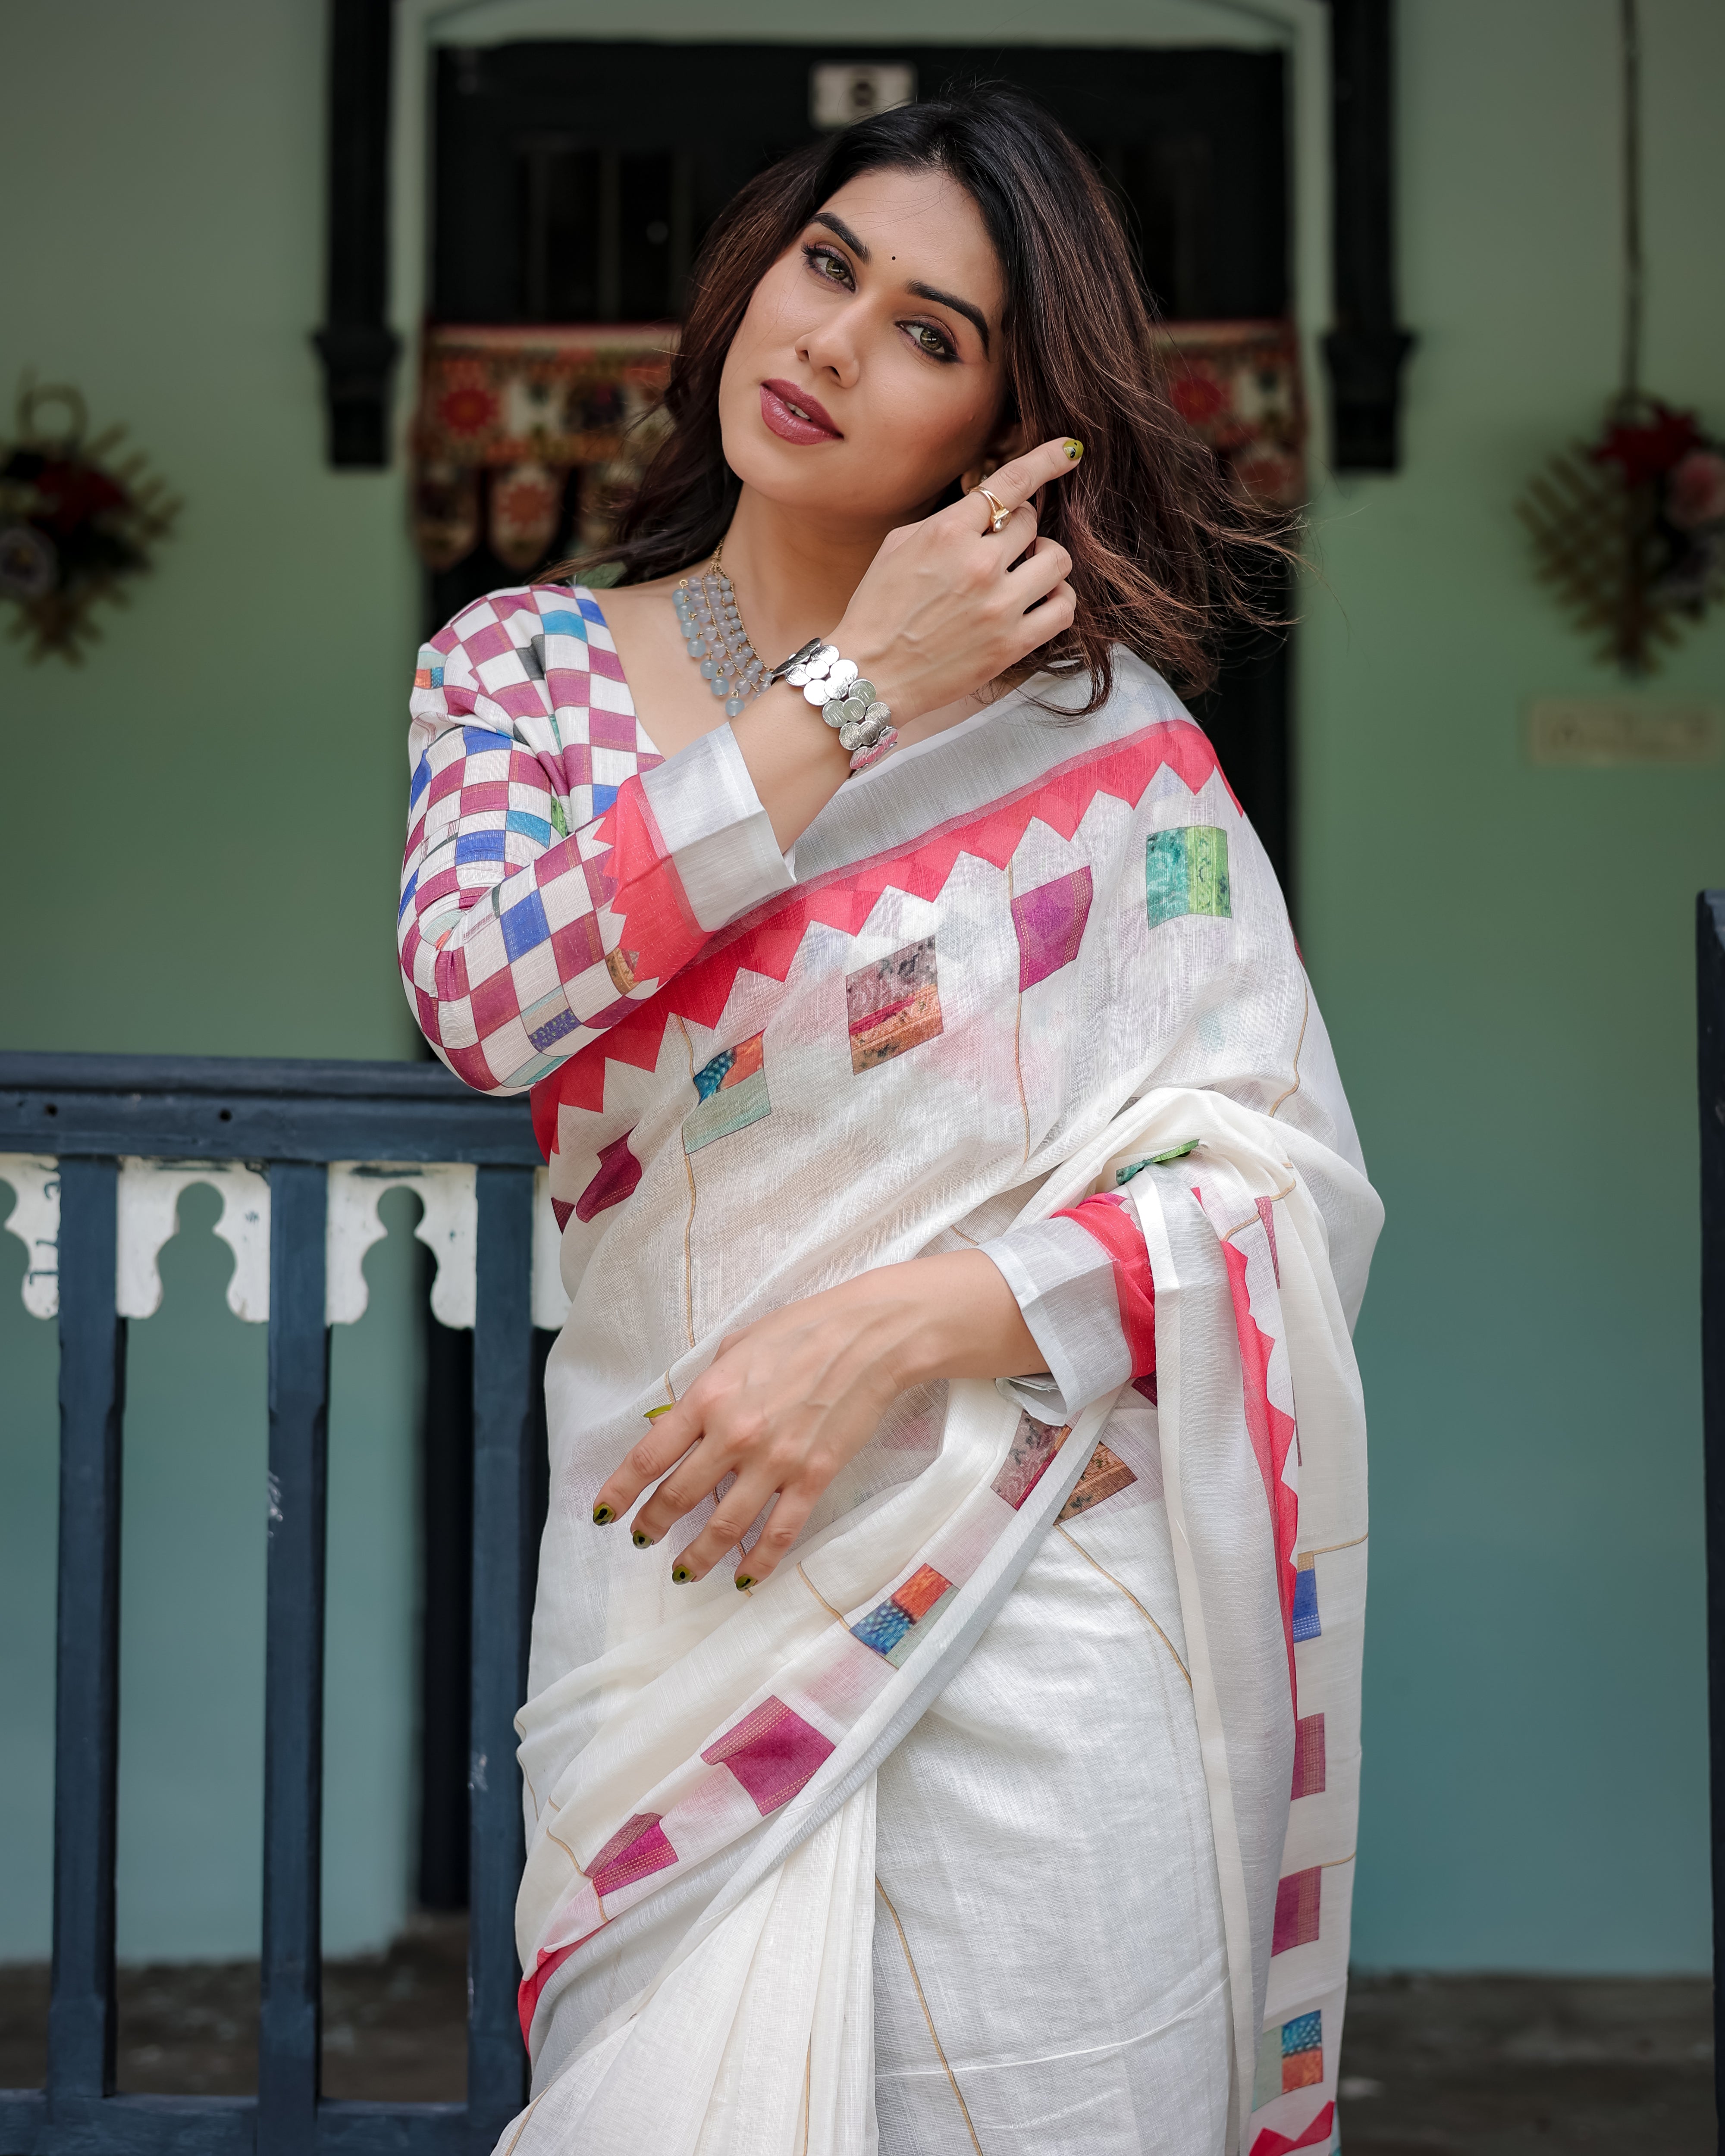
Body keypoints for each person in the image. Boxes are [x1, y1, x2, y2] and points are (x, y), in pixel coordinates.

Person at [399, 85, 1380, 2156]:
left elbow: (1266, 1181)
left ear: (1006, 433)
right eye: (830, 265)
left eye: (931, 333)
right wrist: (854, 686)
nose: (836, 342)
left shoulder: (1109, 751)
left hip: (1041, 1615)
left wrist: (896, 1325)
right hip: (685, 1597)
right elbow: (489, 997)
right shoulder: (530, 669)